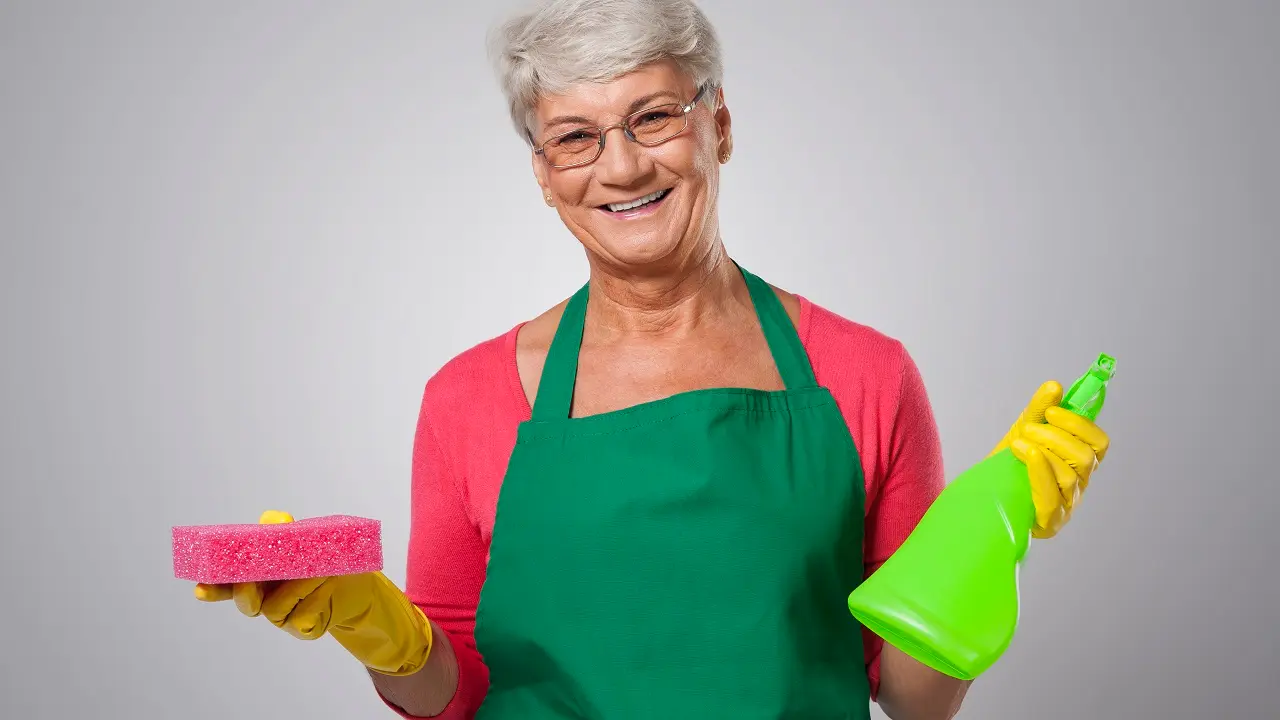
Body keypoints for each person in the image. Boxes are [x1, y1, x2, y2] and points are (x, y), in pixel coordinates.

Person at [192, 1, 1112, 718]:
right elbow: (453, 693)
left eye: (653, 116)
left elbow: (914, 701)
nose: (622, 167)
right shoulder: (467, 397)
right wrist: (383, 634)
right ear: (545, 175)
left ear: (718, 128)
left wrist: (983, 537)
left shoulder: (866, 376)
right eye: (575, 136)